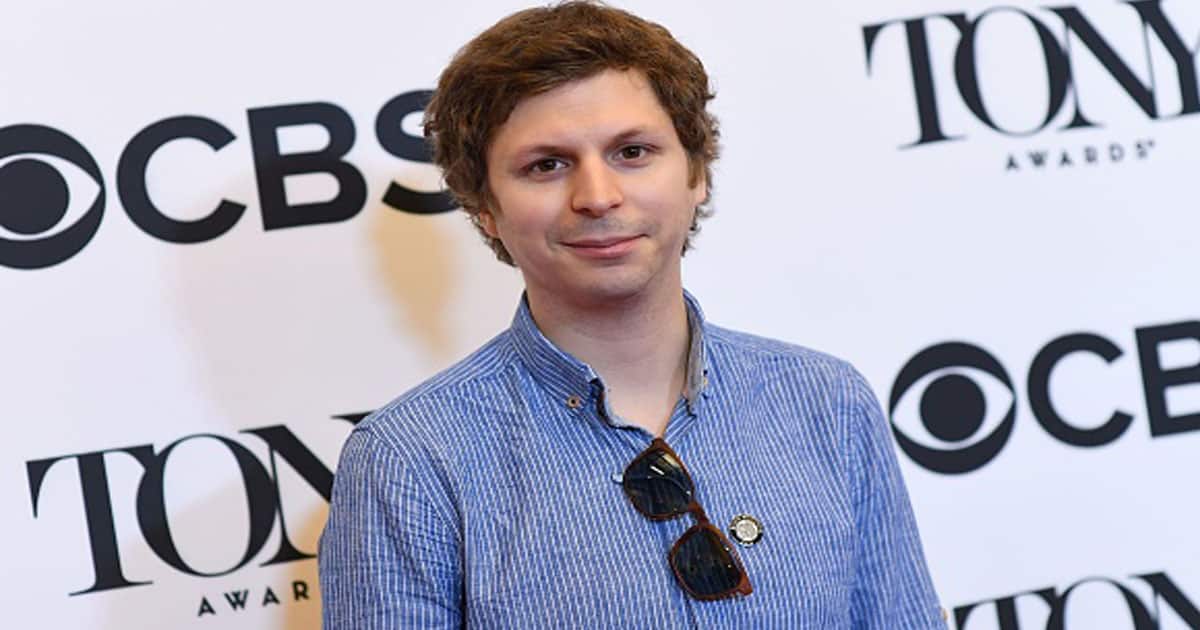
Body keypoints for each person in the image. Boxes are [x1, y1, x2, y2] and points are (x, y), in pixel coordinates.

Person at [319, 2, 945, 627]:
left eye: (633, 152)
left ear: (697, 172)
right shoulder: (412, 462)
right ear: (485, 207)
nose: (597, 196)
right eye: (547, 165)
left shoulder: (826, 402)